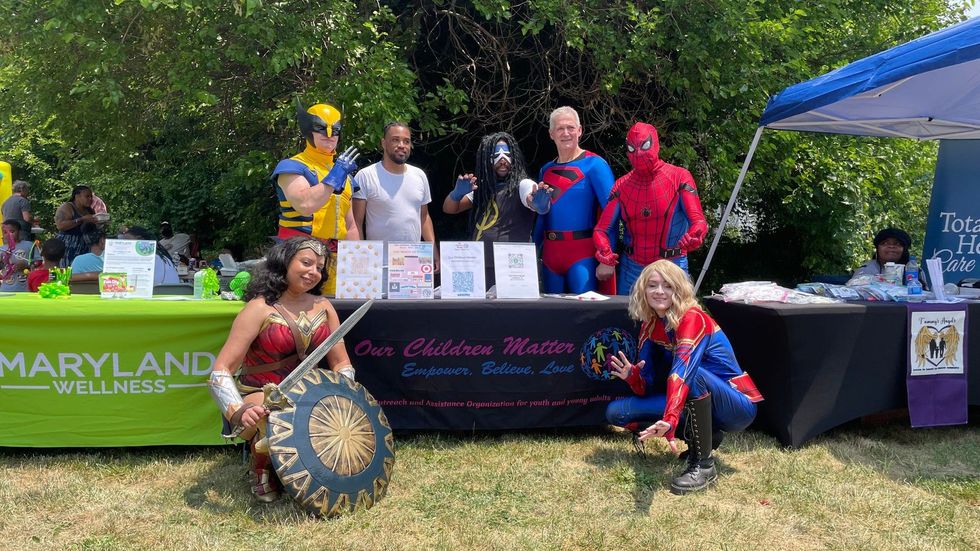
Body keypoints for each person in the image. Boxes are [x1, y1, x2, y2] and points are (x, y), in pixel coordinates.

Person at [207, 237, 358, 502]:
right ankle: (262, 469)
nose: (313, 272)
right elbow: (221, 371)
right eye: (306, 263)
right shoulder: (259, 308)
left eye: (319, 267)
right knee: (273, 415)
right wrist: (240, 411)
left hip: (311, 391)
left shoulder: (324, 307)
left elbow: (341, 362)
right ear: (285, 262)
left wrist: (344, 396)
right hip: (260, 392)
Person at [605, 260, 763, 494]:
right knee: (616, 412)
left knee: (694, 374)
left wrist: (670, 419)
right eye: (653, 285)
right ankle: (704, 435)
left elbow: (683, 371)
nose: (659, 291)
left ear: (678, 289)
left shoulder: (693, 318)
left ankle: (704, 465)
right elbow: (644, 387)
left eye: (667, 286)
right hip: (694, 397)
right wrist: (632, 375)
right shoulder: (649, 324)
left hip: (736, 406)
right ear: (643, 290)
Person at [593, 122, 708, 293]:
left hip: (671, 263)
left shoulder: (679, 177)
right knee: (628, 318)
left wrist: (695, 235)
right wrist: (605, 253)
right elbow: (601, 229)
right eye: (632, 148)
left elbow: (698, 220)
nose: (638, 153)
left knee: (676, 317)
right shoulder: (621, 186)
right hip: (632, 266)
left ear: (655, 144)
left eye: (644, 145)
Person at [272, 101, 361, 295]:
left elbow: (351, 224)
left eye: (335, 130)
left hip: (335, 260)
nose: (329, 135)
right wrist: (334, 178)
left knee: (337, 316)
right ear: (307, 130)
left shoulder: (345, 175)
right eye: (321, 129)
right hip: (298, 256)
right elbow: (305, 204)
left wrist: (356, 260)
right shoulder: (292, 166)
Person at [442, 132, 551, 285]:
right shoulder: (483, 188)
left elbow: (534, 201)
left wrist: (539, 204)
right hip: (480, 262)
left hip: (513, 268)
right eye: (496, 155)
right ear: (487, 159)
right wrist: (456, 194)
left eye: (507, 154)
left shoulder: (522, 184)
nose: (502, 160)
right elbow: (450, 209)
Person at [535, 106, 615, 294]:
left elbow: (611, 213)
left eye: (571, 127)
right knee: (550, 315)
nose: (566, 133)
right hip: (550, 254)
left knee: (587, 314)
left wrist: (607, 258)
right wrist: (531, 250)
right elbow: (541, 216)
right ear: (551, 133)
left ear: (580, 130)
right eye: (560, 128)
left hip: (583, 253)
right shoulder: (545, 170)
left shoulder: (595, 165)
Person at [352, 122, 437, 267]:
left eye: (406, 141)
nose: (402, 145)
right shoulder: (366, 175)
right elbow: (356, 222)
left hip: (414, 264)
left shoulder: (419, 175)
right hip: (378, 264)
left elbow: (424, 217)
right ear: (383, 143)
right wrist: (360, 259)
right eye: (395, 140)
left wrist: (433, 249)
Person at [54, 185, 100, 267]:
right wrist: (81, 219)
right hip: (68, 244)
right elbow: (60, 226)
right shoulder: (67, 207)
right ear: (77, 196)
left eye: (91, 196)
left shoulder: (89, 210)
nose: (90, 199)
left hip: (85, 245)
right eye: (87, 196)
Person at [1, 219, 39, 292]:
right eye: (5, 232)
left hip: (25, 288)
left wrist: (27, 265)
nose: (9, 235)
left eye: (12, 231)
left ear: (19, 232)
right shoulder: (2, 249)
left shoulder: (29, 245)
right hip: (5, 289)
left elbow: (38, 262)